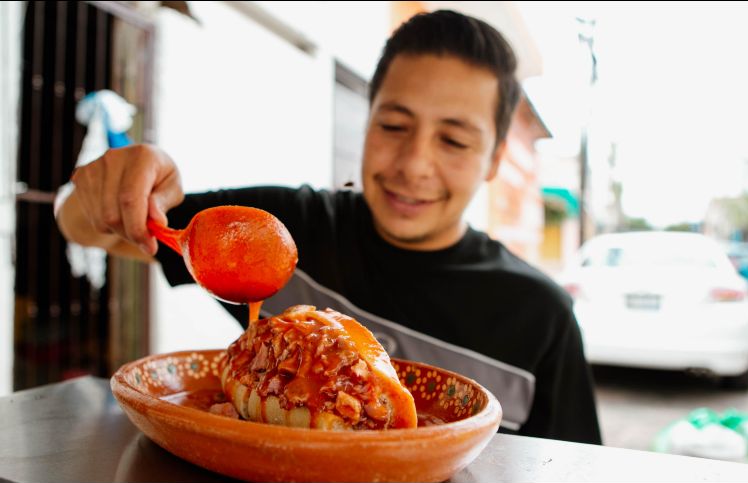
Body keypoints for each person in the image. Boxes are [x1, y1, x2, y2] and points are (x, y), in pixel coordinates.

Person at [55, 10, 602, 444]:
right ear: (367, 119)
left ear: (493, 159)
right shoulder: (287, 232)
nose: (414, 164)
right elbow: (86, 228)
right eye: (394, 124)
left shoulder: (539, 318)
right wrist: (108, 188)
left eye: (454, 140)